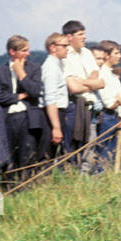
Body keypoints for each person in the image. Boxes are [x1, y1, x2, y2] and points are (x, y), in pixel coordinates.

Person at [0, 36, 40, 176]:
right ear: (12, 51)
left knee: (27, 157)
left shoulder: (34, 68)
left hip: (28, 118)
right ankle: (8, 191)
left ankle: (27, 191)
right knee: (8, 159)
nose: (28, 54)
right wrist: (21, 96)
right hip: (6, 119)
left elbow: (35, 91)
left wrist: (21, 74)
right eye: (24, 50)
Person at [61, 21, 103, 171]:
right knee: (73, 148)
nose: (84, 37)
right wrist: (91, 83)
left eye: (84, 34)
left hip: (90, 105)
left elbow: (99, 79)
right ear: (69, 37)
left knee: (89, 147)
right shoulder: (65, 55)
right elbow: (73, 87)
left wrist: (84, 82)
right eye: (80, 35)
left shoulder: (86, 53)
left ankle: (83, 180)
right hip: (75, 105)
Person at [92, 41, 121, 169]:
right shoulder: (101, 73)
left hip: (114, 117)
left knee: (113, 154)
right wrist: (118, 101)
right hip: (105, 117)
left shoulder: (112, 74)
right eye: (117, 53)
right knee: (103, 154)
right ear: (107, 55)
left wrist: (120, 101)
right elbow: (109, 103)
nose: (120, 56)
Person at [40, 34, 71, 165]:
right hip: (52, 115)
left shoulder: (58, 65)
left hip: (58, 113)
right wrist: (56, 127)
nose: (67, 49)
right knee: (47, 156)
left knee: (52, 156)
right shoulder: (51, 67)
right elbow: (50, 99)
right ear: (53, 47)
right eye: (64, 46)